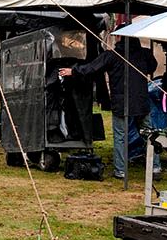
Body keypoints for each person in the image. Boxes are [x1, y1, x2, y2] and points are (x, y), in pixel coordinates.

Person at [59, 36, 158, 180]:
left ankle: (121, 170)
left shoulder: (112, 56)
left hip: (121, 102)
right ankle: (155, 167)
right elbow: (152, 67)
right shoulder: (145, 53)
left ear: (120, 37)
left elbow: (92, 68)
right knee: (149, 135)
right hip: (141, 101)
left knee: (120, 137)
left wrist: (73, 71)